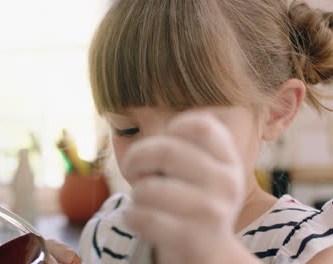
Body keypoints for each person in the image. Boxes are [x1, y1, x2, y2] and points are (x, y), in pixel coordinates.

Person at [69, 0, 333, 263]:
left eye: (189, 129)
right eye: (127, 129)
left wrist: (215, 250)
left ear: (277, 110)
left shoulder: (307, 248)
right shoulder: (109, 234)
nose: (154, 154)